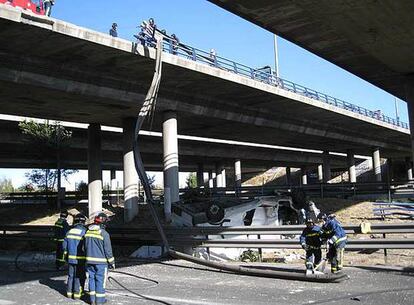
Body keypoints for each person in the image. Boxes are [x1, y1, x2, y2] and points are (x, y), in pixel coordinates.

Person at [85, 212, 115, 305]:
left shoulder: (88, 232)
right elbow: (108, 250)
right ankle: (100, 301)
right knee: (100, 281)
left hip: (89, 261)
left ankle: (92, 300)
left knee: (92, 280)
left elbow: (84, 247)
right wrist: (112, 262)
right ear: (103, 223)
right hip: (101, 263)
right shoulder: (104, 233)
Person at [62, 213, 87, 300]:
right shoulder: (84, 232)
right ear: (83, 222)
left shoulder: (69, 232)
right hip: (81, 259)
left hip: (70, 259)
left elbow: (64, 246)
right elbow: (86, 247)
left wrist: (65, 257)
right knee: (79, 277)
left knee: (71, 276)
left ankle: (69, 293)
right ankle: (77, 294)